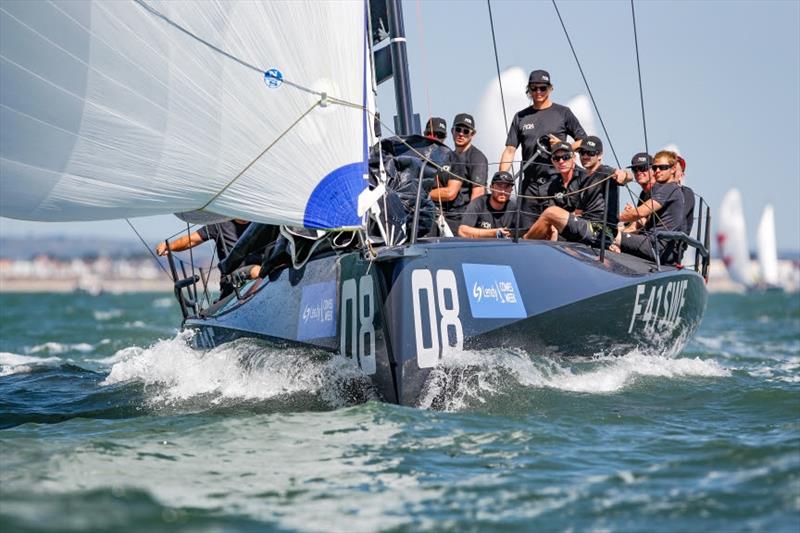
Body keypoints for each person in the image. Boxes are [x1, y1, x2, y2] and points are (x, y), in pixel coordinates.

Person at [498, 69, 587, 215]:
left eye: (543, 88)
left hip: (556, 181)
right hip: (529, 184)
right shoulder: (521, 117)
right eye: (534, 88)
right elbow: (510, 150)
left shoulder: (563, 112)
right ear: (529, 90)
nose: (538, 91)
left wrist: (563, 146)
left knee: (554, 228)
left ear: (550, 89)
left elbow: (584, 141)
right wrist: (501, 179)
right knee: (525, 231)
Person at [522, 143, 607, 244]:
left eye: (565, 157)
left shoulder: (586, 178)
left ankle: (524, 242)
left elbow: (586, 213)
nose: (561, 161)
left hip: (589, 228)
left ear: (574, 158)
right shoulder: (551, 185)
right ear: (552, 161)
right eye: (556, 158)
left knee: (550, 213)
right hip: (563, 230)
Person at [613, 151, 685, 264]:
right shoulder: (653, 192)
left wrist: (612, 217)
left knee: (607, 235)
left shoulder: (669, 188)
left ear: (673, 169)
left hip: (656, 246)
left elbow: (640, 213)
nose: (658, 171)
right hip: (650, 241)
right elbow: (641, 222)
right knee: (613, 237)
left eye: (662, 167)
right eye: (655, 167)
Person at [155, 219, 253, 297]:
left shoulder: (261, 225)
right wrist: (168, 246)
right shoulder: (219, 224)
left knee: (261, 271)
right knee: (256, 271)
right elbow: (191, 240)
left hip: (262, 274)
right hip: (233, 278)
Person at [429, 113, 488, 234]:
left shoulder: (477, 157)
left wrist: (468, 225)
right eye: (458, 129)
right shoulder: (447, 157)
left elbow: (478, 193)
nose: (461, 134)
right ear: (452, 131)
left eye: (466, 131)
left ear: (472, 134)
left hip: (462, 219)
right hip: (443, 216)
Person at [577, 136, 631, 228]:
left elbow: (628, 176)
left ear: (600, 156)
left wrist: (624, 174)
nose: (585, 156)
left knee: (551, 213)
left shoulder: (605, 171)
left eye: (590, 153)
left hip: (602, 229)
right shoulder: (583, 179)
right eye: (582, 152)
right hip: (585, 224)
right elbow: (578, 212)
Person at [457, 171, 518, 238]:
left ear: (511, 189)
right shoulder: (478, 204)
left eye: (507, 187)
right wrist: (495, 233)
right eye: (499, 186)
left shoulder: (515, 208)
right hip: (480, 246)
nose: (503, 191)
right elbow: (462, 231)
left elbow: (523, 233)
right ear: (491, 187)